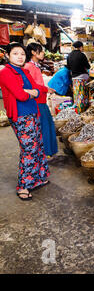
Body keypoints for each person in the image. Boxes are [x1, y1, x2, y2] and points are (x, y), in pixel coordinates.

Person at [0, 43, 54, 201]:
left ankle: (37, 178)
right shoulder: (5, 73)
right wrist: (34, 92)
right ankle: (23, 186)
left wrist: (44, 89)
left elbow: (34, 87)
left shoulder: (23, 70)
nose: (20, 56)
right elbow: (20, 95)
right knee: (29, 150)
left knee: (38, 145)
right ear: (8, 56)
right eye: (15, 53)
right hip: (21, 116)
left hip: (32, 113)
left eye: (22, 53)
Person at [25, 42, 58, 158]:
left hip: (41, 99)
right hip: (37, 101)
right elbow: (31, 85)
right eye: (41, 50)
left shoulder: (35, 66)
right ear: (33, 52)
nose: (43, 53)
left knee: (47, 124)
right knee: (44, 126)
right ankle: (45, 152)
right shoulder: (29, 66)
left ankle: (48, 151)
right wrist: (46, 89)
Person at [67, 41, 90, 113]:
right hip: (82, 77)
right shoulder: (82, 55)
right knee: (83, 94)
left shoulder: (69, 55)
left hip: (74, 78)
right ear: (80, 47)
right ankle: (83, 109)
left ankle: (77, 109)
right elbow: (88, 66)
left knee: (77, 94)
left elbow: (68, 67)